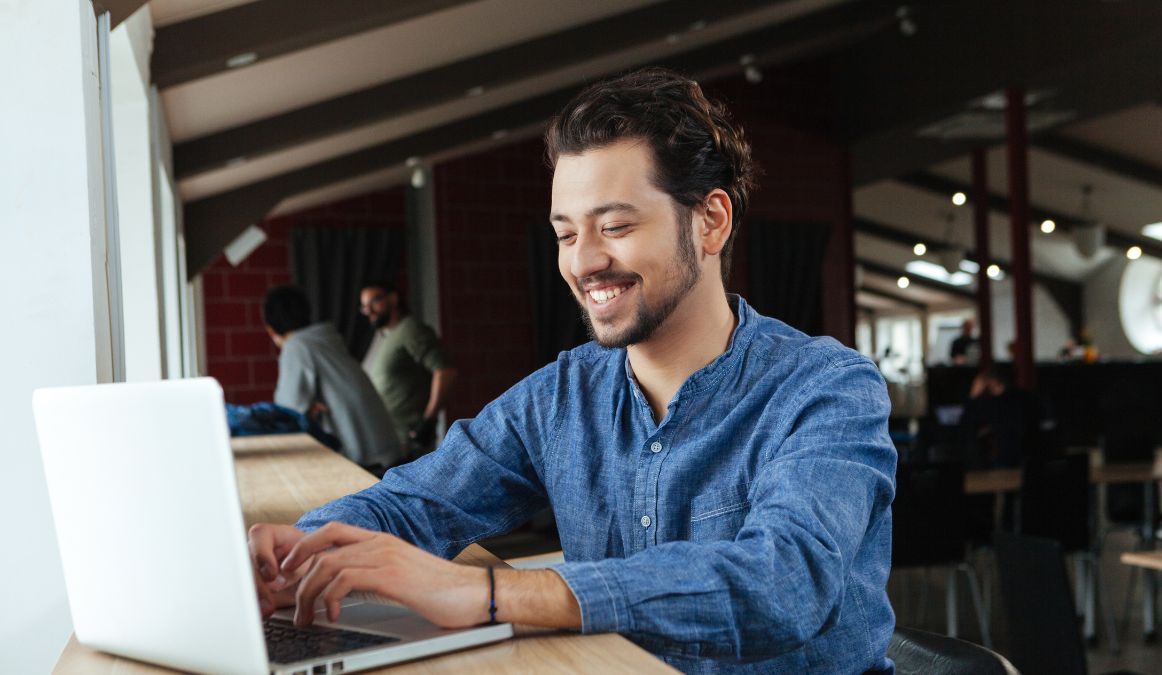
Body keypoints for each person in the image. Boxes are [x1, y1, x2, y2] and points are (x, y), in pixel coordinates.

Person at [249, 69, 896, 673]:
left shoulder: (827, 388)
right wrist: (300, 552)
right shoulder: (563, 395)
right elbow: (419, 501)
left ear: (710, 221)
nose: (584, 262)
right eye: (564, 234)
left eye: (614, 226)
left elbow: (781, 583)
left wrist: (492, 593)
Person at [264, 286, 403, 473]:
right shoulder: (325, 339)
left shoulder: (297, 346)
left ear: (271, 329)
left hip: (367, 464)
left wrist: (305, 412)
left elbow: (286, 416)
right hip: (387, 451)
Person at [358, 281, 457, 460]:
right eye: (364, 306)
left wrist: (428, 420)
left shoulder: (411, 330)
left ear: (393, 299)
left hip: (410, 441)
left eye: (373, 302)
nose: (368, 311)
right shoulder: (381, 335)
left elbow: (445, 371)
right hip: (385, 438)